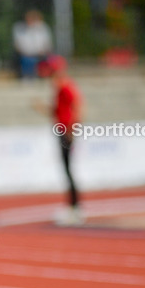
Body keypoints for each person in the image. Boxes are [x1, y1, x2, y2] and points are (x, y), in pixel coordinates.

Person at [38, 55, 82, 223]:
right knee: (66, 169)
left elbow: (77, 105)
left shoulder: (65, 86)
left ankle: (75, 207)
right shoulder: (58, 88)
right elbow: (56, 112)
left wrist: (73, 127)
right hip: (62, 129)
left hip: (66, 131)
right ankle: (72, 206)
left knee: (68, 169)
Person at [13, 10, 53, 80]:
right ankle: (28, 76)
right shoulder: (20, 28)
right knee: (27, 60)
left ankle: (42, 75)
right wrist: (25, 52)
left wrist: (43, 51)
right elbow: (18, 44)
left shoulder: (42, 28)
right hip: (25, 54)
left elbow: (47, 43)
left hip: (40, 53)